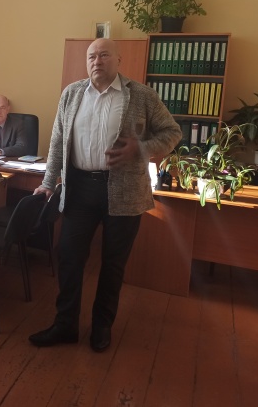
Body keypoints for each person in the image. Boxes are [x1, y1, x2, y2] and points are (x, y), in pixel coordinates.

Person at [29, 38, 181, 352]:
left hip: (124, 191)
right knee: (69, 257)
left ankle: (102, 327)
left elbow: (172, 133)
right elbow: (57, 141)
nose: (97, 61)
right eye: (92, 56)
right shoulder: (72, 94)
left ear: (118, 60)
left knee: (113, 264)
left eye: (104, 55)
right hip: (79, 188)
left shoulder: (142, 95)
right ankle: (65, 325)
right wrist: (48, 182)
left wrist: (140, 148)